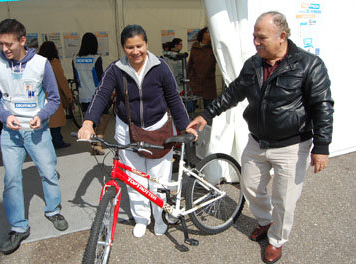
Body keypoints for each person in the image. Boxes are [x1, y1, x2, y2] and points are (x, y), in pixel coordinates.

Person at [186, 11, 334, 263]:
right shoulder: (254, 63)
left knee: (285, 200)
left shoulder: (309, 65)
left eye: (261, 37)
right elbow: (233, 92)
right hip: (256, 141)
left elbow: (322, 105)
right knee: (251, 186)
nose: (255, 42)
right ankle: (266, 221)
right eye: (254, 36)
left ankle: (276, 240)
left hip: (292, 145)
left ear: (282, 36)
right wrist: (207, 114)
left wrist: (322, 145)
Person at [78, 24, 190, 238]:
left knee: (159, 179)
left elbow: (173, 97)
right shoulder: (115, 69)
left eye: (139, 45)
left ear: (147, 44)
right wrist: (88, 122)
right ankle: (141, 218)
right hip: (127, 129)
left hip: (159, 129)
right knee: (134, 177)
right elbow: (101, 94)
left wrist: (185, 125)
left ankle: (160, 217)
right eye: (130, 47)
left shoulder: (160, 66)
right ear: (123, 47)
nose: (135, 51)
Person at [0, 19, 68, 255]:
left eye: (9, 44)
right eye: (0, 43)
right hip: (10, 133)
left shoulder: (42, 64)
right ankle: (18, 226)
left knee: (49, 172)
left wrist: (41, 117)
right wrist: (4, 116)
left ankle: (53, 210)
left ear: (23, 40)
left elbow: (54, 99)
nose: (4, 49)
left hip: (37, 131)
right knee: (11, 179)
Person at [72, 32, 109, 154]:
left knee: (89, 121)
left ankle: (94, 143)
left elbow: (75, 78)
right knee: (105, 117)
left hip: (83, 94)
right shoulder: (96, 58)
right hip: (97, 94)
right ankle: (97, 143)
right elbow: (101, 77)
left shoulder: (75, 59)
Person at [38, 41, 73, 149]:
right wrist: (68, 94)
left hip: (41, 96)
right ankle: (57, 140)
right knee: (55, 121)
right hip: (52, 95)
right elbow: (62, 81)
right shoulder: (54, 63)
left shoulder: (38, 62)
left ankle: (48, 141)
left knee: (46, 120)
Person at [186, 26, 217, 109]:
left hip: (208, 82)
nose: (210, 34)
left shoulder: (214, 47)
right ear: (202, 34)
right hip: (194, 81)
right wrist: (187, 78)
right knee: (190, 107)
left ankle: (208, 122)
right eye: (207, 32)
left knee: (209, 109)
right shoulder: (195, 46)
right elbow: (190, 63)